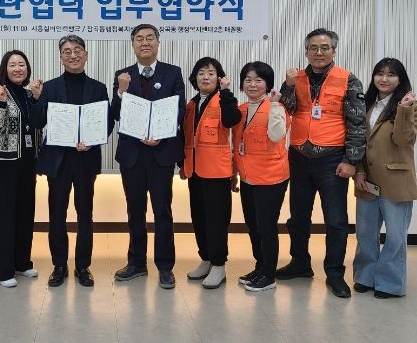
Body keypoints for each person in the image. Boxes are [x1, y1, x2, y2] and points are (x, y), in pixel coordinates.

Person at [276, 28, 366, 298]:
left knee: (336, 220)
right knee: (298, 217)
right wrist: (287, 86)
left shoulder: (348, 80)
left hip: (332, 159)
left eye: (324, 47)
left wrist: (351, 160)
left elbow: (358, 123)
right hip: (299, 157)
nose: (318, 52)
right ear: (306, 52)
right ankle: (300, 263)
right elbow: (287, 109)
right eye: (313, 48)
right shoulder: (297, 78)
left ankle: (335, 273)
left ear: (333, 51)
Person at [31, 35, 113, 287]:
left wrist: (92, 140)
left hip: (85, 158)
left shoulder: (98, 88)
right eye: (67, 51)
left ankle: (83, 267)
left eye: (77, 50)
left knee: (85, 214)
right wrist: (36, 98)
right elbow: (38, 122)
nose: (73, 55)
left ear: (85, 55)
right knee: (57, 213)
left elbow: (107, 123)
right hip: (58, 160)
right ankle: (59, 265)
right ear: (61, 58)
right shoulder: (50, 87)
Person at [111, 24, 186, 289]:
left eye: (150, 38)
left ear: (157, 42)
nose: (145, 42)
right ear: (133, 44)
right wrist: (120, 91)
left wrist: (161, 135)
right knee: (135, 210)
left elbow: (178, 111)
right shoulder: (123, 76)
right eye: (139, 39)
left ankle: (165, 266)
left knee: (162, 210)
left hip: (161, 154)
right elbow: (116, 115)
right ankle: (136, 263)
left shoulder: (173, 73)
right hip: (132, 155)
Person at [352, 58, 417, 299]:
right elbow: (359, 141)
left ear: (400, 79)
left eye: (391, 74)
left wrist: (403, 109)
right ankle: (365, 277)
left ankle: (390, 283)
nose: (384, 79)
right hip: (367, 179)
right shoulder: (366, 104)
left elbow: (404, 140)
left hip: (396, 180)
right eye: (380, 73)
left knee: (395, 236)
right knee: (365, 233)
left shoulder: (412, 107)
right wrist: (359, 170)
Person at [179, 57, 241, 289]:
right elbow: (185, 136)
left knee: (217, 220)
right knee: (199, 218)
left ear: (219, 78)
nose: (206, 77)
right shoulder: (192, 104)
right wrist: (182, 163)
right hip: (194, 170)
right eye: (201, 73)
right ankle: (205, 259)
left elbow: (232, 120)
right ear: (195, 78)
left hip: (217, 171)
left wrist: (226, 92)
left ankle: (218, 265)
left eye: (211, 73)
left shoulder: (224, 100)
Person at [232, 61, 290, 292]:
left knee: (266, 227)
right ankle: (260, 267)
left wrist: (275, 105)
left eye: (258, 80)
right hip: (248, 177)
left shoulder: (276, 107)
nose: (253, 84)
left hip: (271, 178)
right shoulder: (242, 109)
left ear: (268, 84)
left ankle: (269, 275)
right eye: (248, 80)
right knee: (253, 226)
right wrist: (234, 173)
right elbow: (237, 144)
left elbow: (276, 135)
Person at [0, 50, 43, 288]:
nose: (18, 69)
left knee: (25, 213)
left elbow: (39, 123)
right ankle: (2, 271)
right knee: (4, 217)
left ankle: (21, 263)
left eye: (22, 64)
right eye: (12, 65)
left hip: (28, 162)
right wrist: (1, 103)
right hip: (5, 163)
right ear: (5, 69)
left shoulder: (30, 94)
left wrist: (38, 99)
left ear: (27, 69)